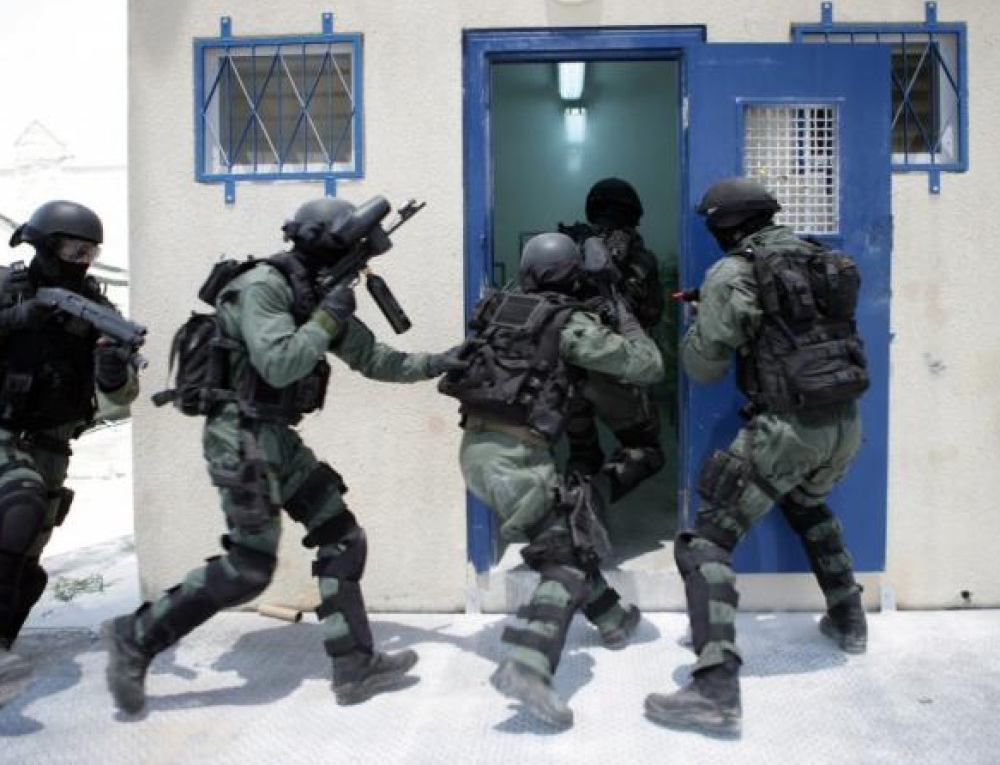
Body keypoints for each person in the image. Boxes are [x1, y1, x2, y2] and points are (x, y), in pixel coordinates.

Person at [102, 196, 464, 714]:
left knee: (342, 536)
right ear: (316, 241)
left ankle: (354, 665)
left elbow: (374, 358)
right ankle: (135, 638)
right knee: (250, 566)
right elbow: (278, 364)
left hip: (275, 435)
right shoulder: (263, 286)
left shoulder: (312, 293)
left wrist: (440, 362)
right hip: (238, 435)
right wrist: (326, 318)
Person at [644, 178, 869, 737]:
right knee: (805, 502)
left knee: (704, 544)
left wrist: (701, 319)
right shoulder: (821, 258)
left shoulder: (732, 273)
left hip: (787, 427)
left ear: (724, 225)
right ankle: (848, 617)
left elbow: (704, 367)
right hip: (844, 421)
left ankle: (715, 687)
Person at [439, 231, 664, 729]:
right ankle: (529, 665)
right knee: (565, 560)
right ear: (573, 274)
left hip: (478, 453)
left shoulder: (496, 309)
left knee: (567, 539)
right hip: (518, 459)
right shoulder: (569, 324)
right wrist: (615, 302)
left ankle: (612, 618)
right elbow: (648, 365)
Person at [0, 200, 140, 704]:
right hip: (4, 431)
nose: (82, 261)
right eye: (73, 250)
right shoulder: (9, 288)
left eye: (90, 253)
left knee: (26, 570)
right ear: (44, 246)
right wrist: (21, 317)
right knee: (19, 508)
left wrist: (113, 371)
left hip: (54, 446)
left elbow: (124, 395)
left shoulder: (98, 309)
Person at [561, 177, 666, 503]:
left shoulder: (569, 249)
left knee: (582, 452)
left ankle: (573, 510)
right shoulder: (641, 258)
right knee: (645, 449)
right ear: (633, 212)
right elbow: (652, 314)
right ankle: (594, 502)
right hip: (615, 366)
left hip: (567, 370)